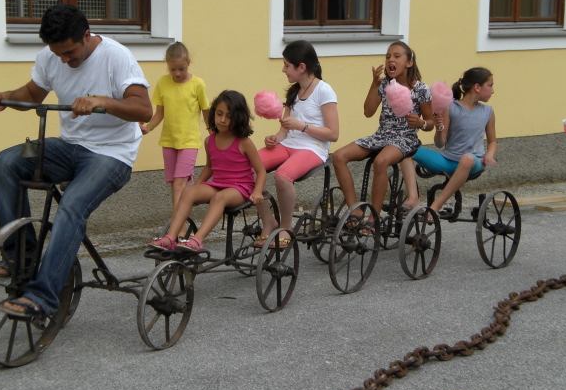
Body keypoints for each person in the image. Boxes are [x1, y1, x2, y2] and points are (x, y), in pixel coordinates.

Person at [0, 4, 153, 318]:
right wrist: (3, 96)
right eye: (58, 54)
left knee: (72, 204)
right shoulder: (51, 56)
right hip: (68, 146)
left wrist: (103, 102)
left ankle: (43, 297)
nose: (64, 60)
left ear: (87, 36)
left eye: (70, 53)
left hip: (111, 155)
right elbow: (32, 94)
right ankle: (22, 259)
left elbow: (144, 110)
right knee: (4, 163)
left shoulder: (116, 56)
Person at [332, 41, 433, 232]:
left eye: (396, 56)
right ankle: (355, 211)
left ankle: (374, 217)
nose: (390, 60)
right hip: (381, 135)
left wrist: (421, 124)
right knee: (338, 156)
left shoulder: (421, 89)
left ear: (409, 63)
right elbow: (368, 112)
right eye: (387, 57)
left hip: (405, 138)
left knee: (380, 162)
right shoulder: (385, 84)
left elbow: (430, 123)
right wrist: (374, 84)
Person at [148, 90, 266, 251]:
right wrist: (197, 186)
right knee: (188, 192)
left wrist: (257, 191)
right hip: (218, 183)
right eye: (219, 114)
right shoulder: (209, 140)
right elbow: (210, 167)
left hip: (240, 187)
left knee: (219, 197)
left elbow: (261, 171)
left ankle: (197, 239)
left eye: (229, 116)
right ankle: (171, 237)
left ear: (238, 117)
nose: (223, 120)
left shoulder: (244, 142)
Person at [254, 40, 339, 247]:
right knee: (249, 166)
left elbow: (333, 134)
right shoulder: (294, 91)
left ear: (302, 67)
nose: (283, 70)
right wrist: (274, 139)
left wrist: (302, 126)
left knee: (283, 176)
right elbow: (284, 130)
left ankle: (286, 227)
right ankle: (268, 222)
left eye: (286, 65)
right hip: (289, 145)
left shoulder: (324, 90)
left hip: (314, 148)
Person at [406, 67, 497, 218]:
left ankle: (436, 205)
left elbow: (493, 141)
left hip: (474, 161)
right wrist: (439, 128)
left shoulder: (488, 111)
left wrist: (489, 155)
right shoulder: (450, 108)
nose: (493, 90)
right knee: (406, 148)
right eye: (491, 85)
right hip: (448, 160)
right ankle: (412, 199)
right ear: (477, 87)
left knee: (466, 159)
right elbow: (440, 143)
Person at [140, 42, 210, 216]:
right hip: (169, 141)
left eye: (182, 69)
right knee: (175, 184)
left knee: (180, 183)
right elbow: (159, 113)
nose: (177, 73)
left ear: (189, 63)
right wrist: (148, 127)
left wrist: (214, 134)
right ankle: (180, 222)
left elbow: (206, 112)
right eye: (173, 69)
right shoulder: (163, 83)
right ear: (167, 66)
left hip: (189, 141)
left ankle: (177, 227)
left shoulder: (198, 84)